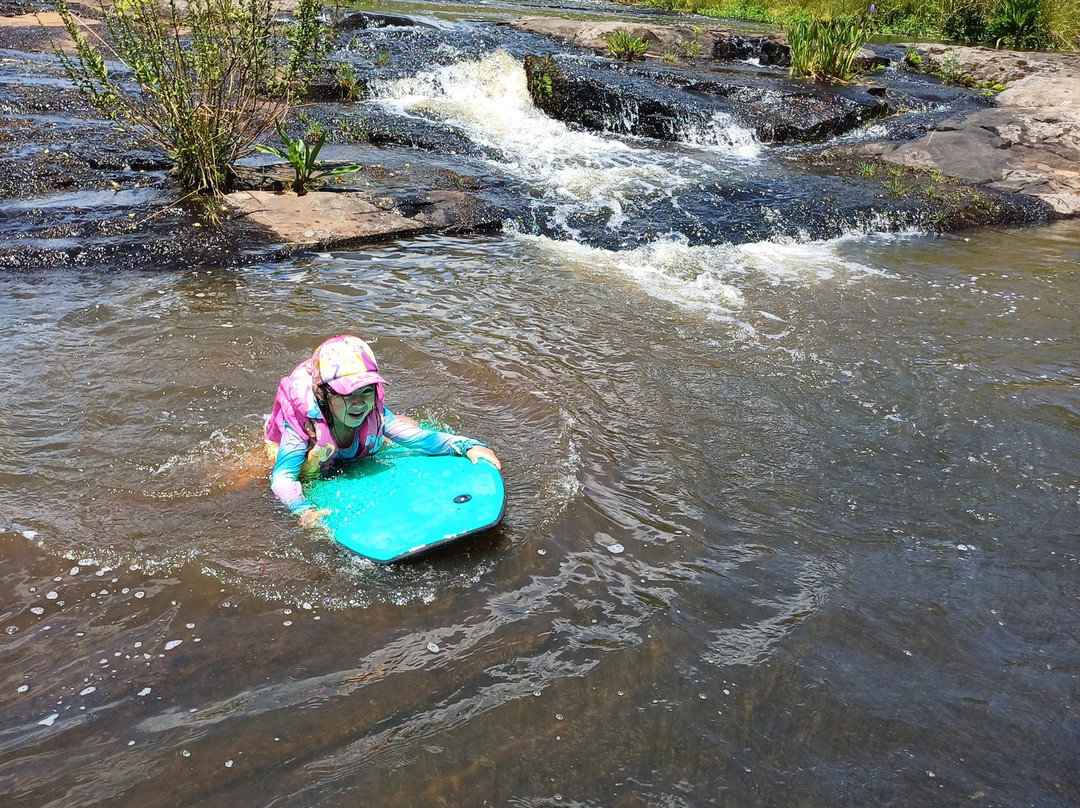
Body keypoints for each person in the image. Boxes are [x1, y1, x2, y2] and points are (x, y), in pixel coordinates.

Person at [265, 335, 500, 526]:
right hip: (305, 452)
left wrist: (466, 445)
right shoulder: (303, 429)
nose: (359, 403)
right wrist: (302, 509)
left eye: (366, 391)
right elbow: (282, 478)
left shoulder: (374, 415)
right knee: (256, 474)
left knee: (406, 427)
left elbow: (420, 439)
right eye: (348, 394)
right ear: (323, 395)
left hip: (350, 446)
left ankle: (388, 426)